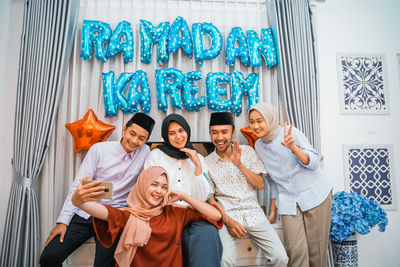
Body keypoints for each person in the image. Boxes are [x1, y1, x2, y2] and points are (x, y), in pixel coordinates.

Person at [40, 113, 155, 267]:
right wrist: (63, 222)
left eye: (141, 138)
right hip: (87, 212)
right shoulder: (99, 149)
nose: (135, 141)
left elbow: (148, 182)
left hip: (114, 217)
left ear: (146, 141)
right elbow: (78, 186)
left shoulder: (146, 153)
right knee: (49, 257)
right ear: (124, 129)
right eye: (132, 133)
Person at [71, 166, 223, 267]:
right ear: (143, 185)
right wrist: (78, 201)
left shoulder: (175, 212)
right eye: (154, 184)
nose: (159, 191)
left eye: (164, 187)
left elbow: (215, 215)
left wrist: (184, 196)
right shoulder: (128, 216)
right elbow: (102, 211)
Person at [248, 102, 332, 267]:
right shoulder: (258, 145)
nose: (255, 126)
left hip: (315, 195)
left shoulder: (290, 133)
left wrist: (294, 148)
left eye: (260, 120)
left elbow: (314, 162)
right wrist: (272, 210)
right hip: (288, 200)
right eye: (252, 122)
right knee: (296, 252)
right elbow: (272, 179)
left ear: (270, 119)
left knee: (316, 252)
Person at [205, 112, 288, 267]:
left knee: (281, 258)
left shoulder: (248, 152)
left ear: (233, 133)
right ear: (210, 133)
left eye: (224, 132)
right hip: (228, 216)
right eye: (214, 132)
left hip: (254, 213)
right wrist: (228, 222)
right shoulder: (207, 163)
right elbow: (211, 200)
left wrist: (239, 165)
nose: (219, 137)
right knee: (224, 261)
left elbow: (261, 185)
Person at [144, 114, 222, 267]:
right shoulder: (155, 156)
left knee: (208, 233)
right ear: (166, 135)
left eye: (181, 131)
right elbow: (148, 189)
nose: (178, 136)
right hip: (165, 212)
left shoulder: (198, 157)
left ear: (187, 130)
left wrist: (197, 166)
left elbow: (201, 197)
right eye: (171, 133)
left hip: (193, 211)